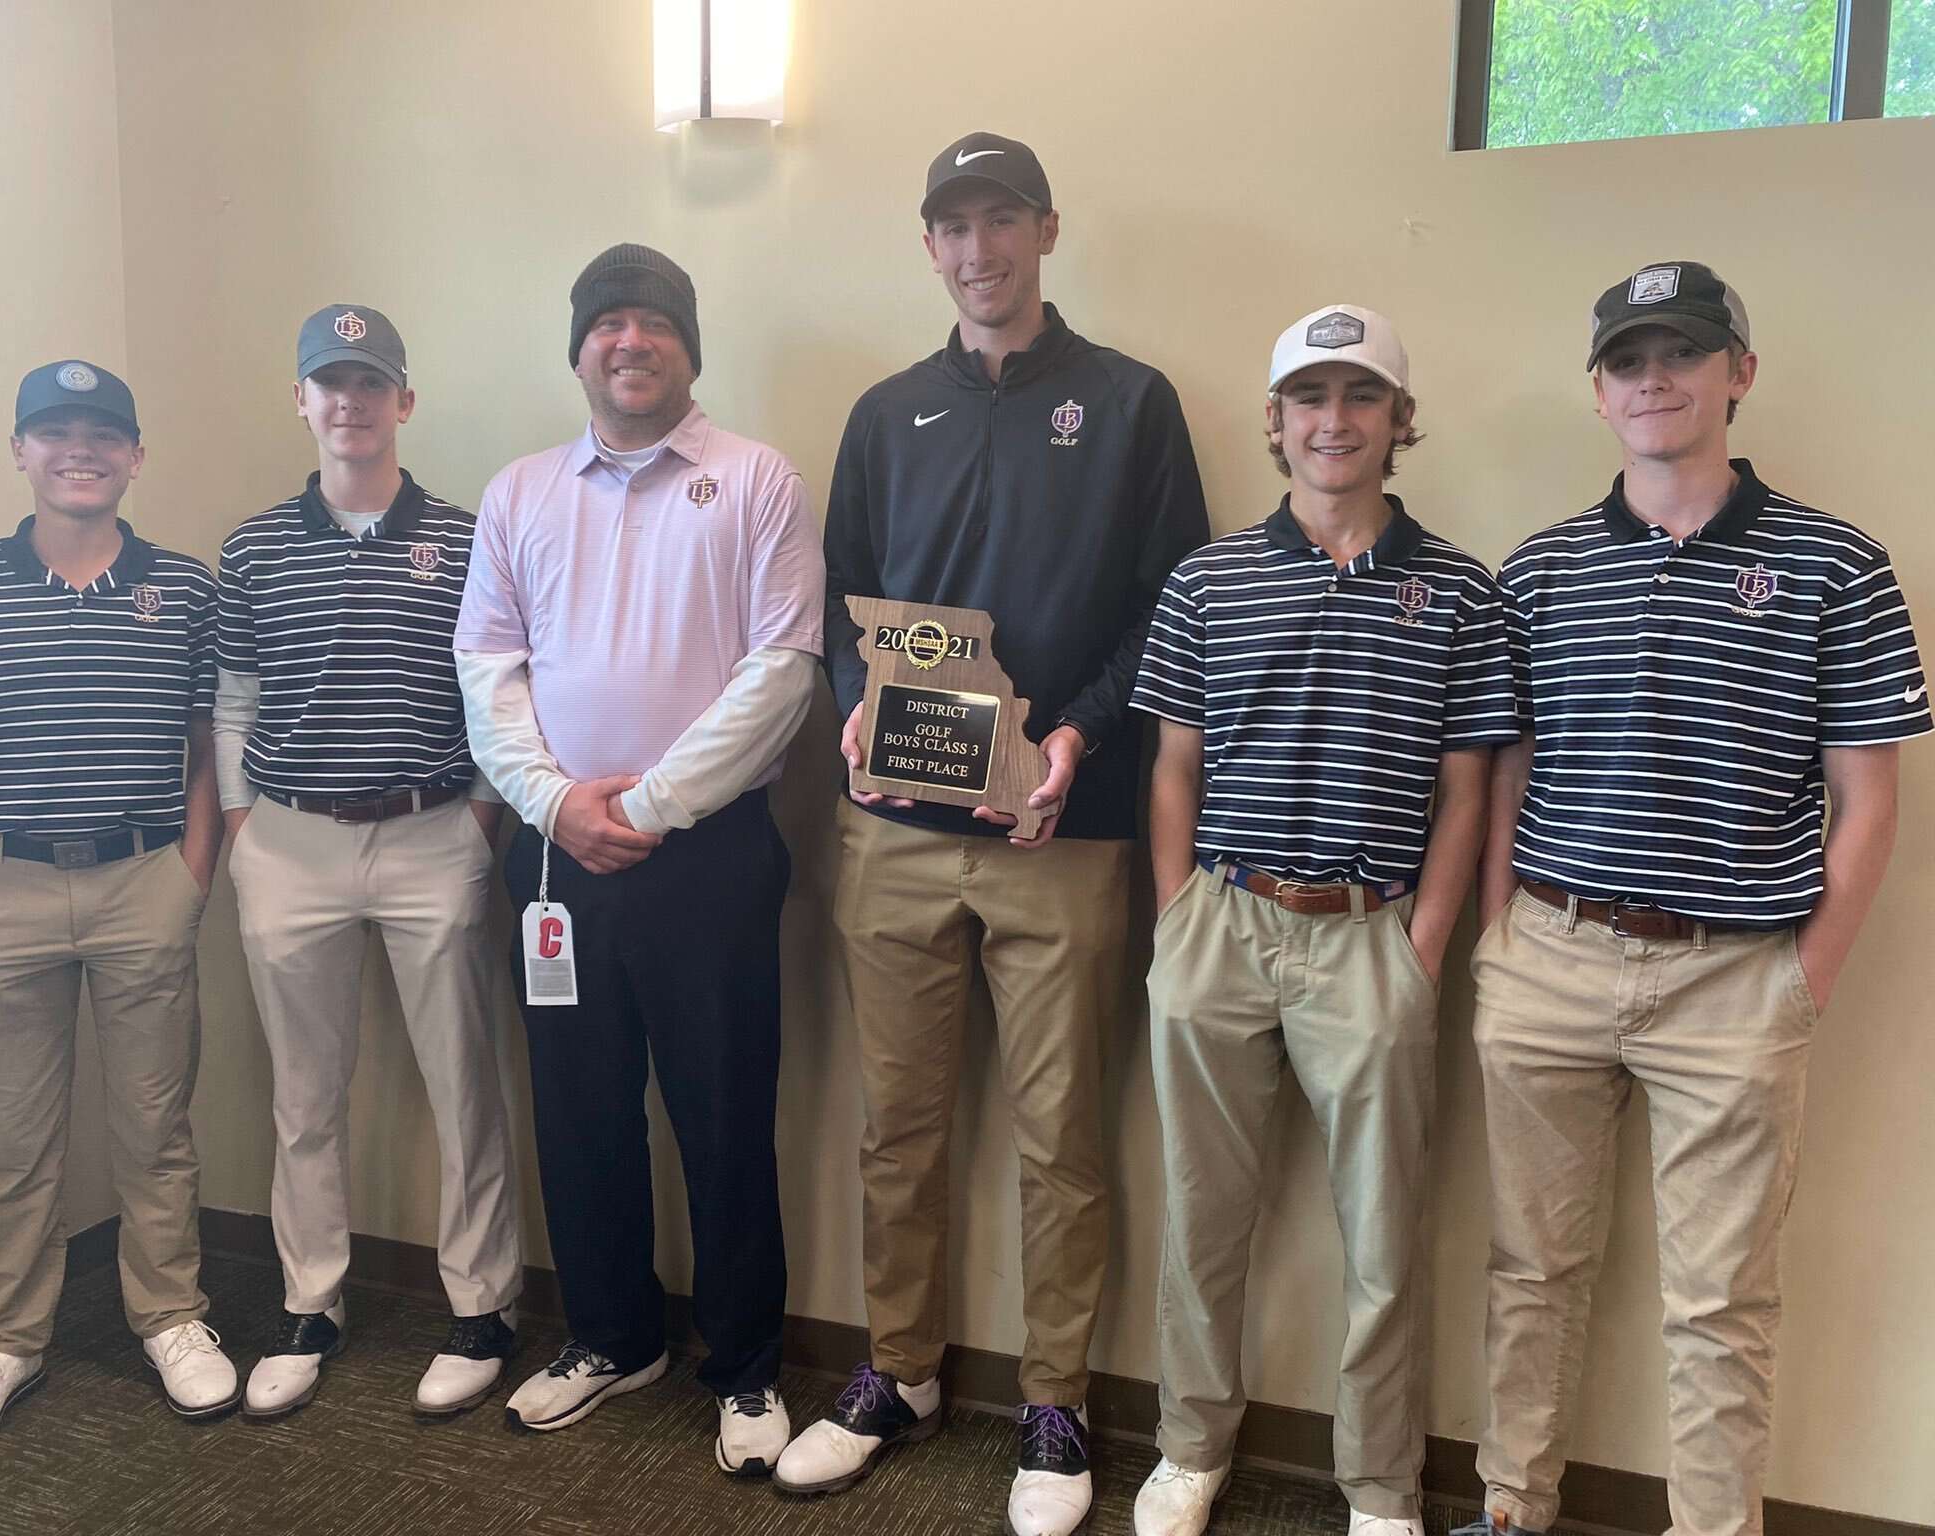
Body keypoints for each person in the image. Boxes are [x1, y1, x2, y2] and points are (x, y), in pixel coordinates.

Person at [776, 132, 1210, 1536]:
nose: (981, 250)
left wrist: (1078, 734)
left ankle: (1058, 1402)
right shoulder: (887, 409)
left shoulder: (1131, 405)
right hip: (892, 830)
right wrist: (852, 707)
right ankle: (898, 1373)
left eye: (1003, 220)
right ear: (930, 248)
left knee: (1060, 1139)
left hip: (1061, 834)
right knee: (897, 1128)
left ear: (1046, 228)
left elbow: (1165, 613)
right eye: (955, 227)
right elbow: (841, 599)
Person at [1455, 262, 1928, 1536]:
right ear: (1597, 395)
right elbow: (1505, 767)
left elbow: (1866, 800)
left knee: (1718, 1301)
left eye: (1681, 351)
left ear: (1738, 372)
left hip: (1735, 978)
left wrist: (1802, 975)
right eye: (1626, 360)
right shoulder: (1540, 571)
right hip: (1548, 958)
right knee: (1530, 1272)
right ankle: (1511, 1506)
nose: (1652, 377)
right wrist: (1500, 937)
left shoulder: (1837, 566)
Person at [1127, 307, 1518, 1536]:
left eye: (1359, 397)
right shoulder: (1207, 580)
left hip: (1371, 939)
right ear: (1275, 422)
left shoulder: (1459, 589)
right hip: (1222, 926)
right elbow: (1173, 766)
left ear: (1398, 423)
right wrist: (1177, 916)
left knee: (1382, 1242)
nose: (1331, 421)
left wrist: (1422, 947)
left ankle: (1378, 1486)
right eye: (1308, 398)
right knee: (1200, 1220)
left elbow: (1468, 789)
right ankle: (1189, 1445)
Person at [454, 244, 824, 1475]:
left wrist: (652, 805)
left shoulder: (755, 480)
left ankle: (744, 1365)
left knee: (721, 1117)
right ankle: (611, 1337)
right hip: (556, 861)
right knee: (577, 1111)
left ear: (687, 347)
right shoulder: (518, 495)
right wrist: (558, 805)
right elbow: (488, 672)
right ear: (578, 351)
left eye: (652, 323)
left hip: (708, 858)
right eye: (606, 324)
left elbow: (783, 673)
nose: (628, 342)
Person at [0, 361, 237, 1460]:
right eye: (54, 432)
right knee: (12, 1145)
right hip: (4, 891)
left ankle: (172, 1318)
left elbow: (205, 750)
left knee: (155, 1130)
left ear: (135, 456)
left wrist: (192, 877)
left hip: (146, 884)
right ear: (20, 450)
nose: (78, 450)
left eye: (101, 434)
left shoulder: (185, 589)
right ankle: (5, 1343)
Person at [215, 305, 523, 1420]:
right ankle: (312, 1305)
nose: (347, 403)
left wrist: (483, 816)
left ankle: (481, 1307)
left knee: (463, 1082)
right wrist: (247, 832)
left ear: (403, 401)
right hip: (289, 842)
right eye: (326, 384)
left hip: (433, 834)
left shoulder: (466, 531)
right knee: (305, 1095)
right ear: (300, 400)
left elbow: (495, 694)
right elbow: (234, 699)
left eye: (369, 383)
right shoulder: (251, 547)